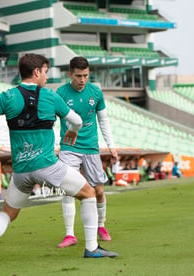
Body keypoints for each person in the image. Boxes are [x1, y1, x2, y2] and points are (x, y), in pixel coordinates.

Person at [0, 53, 118, 265]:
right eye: (46, 72)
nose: (47, 76)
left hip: (21, 171)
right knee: (89, 193)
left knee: (8, 213)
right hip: (47, 166)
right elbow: (76, 120)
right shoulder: (51, 97)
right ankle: (92, 248)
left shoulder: (7, 96)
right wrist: (73, 131)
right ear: (36, 72)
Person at [55, 57, 118, 248]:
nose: (82, 80)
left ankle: (101, 225)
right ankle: (69, 234)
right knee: (67, 188)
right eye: (78, 76)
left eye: (86, 75)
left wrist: (111, 145)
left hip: (91, 147)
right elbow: (51, 120)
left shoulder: (95, 92)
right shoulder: (61, 93)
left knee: (98, 190)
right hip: (69, 147)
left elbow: (103, 121)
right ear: (70, 74)